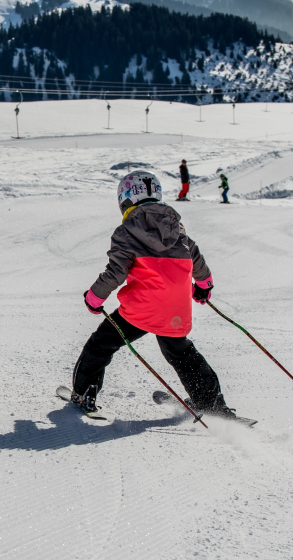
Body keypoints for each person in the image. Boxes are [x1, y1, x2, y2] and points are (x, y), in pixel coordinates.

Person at [68, 170, 235, 418]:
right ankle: (210, 402)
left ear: (124, 199)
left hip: (139, 310)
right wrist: (203, 286)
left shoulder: (126, 231)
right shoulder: (177, 229)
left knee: (100, 345)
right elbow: (196, 259)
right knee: (181, 352)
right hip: (174, 310)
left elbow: (116, 272)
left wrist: (95, 297)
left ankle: (84, 394)